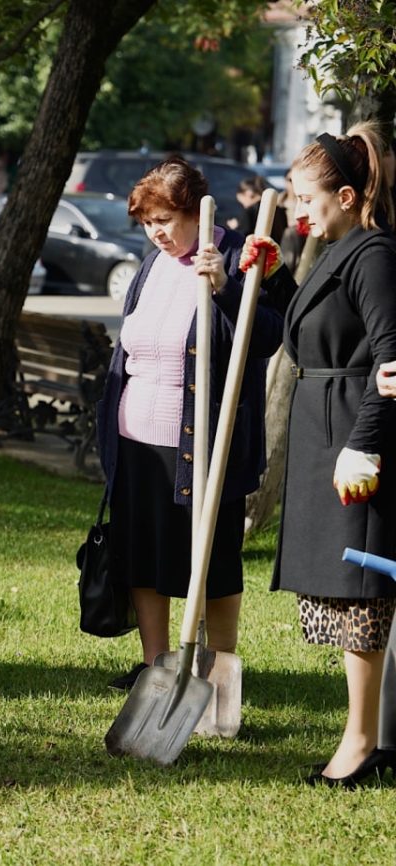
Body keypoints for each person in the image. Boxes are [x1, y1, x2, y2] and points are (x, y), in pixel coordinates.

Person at [96, 156, 288, 691]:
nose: (157, 232)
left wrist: (226, 285)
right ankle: (156, 666)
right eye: (147, 222)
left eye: (165, 220)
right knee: (142, 555)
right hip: (138, 441)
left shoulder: (242, 253)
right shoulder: (152, 264)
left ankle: (218, 669)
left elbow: (271, 336)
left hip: (205, 442)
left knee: (216, 560)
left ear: (193, 212)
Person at [272, 123, 396, 787]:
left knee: (362, 595)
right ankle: (364, 736)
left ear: (346, 196)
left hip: (355, 435)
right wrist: (268, 283)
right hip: (327, 435)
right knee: (347, 597)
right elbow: (302, 335)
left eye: (305, 199)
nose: (296, 212)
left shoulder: (372, 253)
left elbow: (392, 357)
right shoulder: (331, 251)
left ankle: (362, 744)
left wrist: (367, 445)